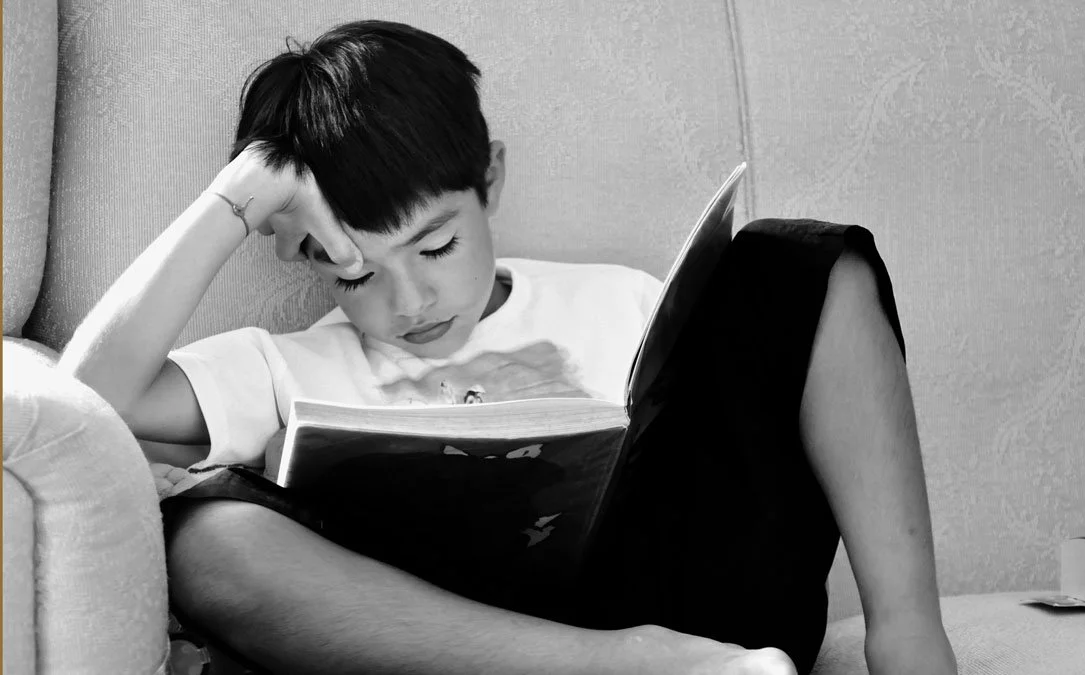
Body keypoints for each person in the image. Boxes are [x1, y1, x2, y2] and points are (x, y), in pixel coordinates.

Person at [59, 19, 957, 675]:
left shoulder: (618, 301)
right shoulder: (296, 367)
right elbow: (85, 411)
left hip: (709, 613)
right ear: (307, 254)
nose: (410, 302)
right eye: (359, 275)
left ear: (490, 176)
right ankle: (626, 669)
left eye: (437, 245)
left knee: (798, 262)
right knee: (202, 536)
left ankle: (911, 643)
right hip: (473, 644)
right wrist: (235, 204)